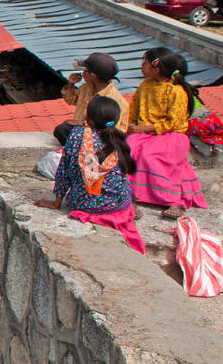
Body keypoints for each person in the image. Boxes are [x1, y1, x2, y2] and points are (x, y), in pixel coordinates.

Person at [36, 96, 144, 253]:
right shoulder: (119, 140)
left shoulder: (77, 136)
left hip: (85, 204)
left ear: (89, 120)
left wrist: (56, 202)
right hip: (117, 204)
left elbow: (65, 170)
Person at [124, 48, 206, 214]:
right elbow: (133, 109)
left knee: (150, 155)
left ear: (156, 69)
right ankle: (128, 195)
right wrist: (130, 127)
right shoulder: (145, 85)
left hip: (171, 134)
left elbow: (173, 122)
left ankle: (173, 200)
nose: (141, 66)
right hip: (144, 133)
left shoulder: (177, 91)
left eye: (144, 63)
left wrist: (145, 128)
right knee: (128, 148)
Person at [55, 52, 129, 145]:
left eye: (85, 71)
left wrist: (81, 123)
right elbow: (71, 100)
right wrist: (71, 84)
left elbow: (113, 132)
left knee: (63, 130)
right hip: (83, 132)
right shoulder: (86, 88)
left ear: (93, 76)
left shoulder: (115, 101)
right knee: (61, 131)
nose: (83, 73)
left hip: (100, 139)